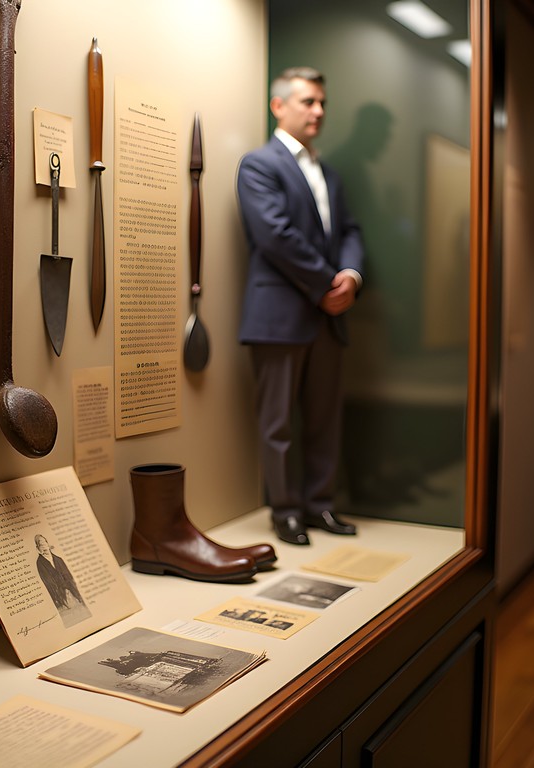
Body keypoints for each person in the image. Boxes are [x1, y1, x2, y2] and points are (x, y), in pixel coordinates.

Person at [236, 66, 365, 546]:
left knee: (324, 419)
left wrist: (350, 276)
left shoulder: (328, 172)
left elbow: (349, 230)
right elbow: (275, 236)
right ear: (279, 106)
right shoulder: (258, 164)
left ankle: (319, 505)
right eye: (308, 101)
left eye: (322, 103)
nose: (318, 111)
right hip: (279, 315)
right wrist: (326, 283)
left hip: (329, 317)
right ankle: (285, 511)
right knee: (278, 423)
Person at [34, 534, 85, 611]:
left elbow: (69, 578)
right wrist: (62, 595)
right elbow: (49, 584)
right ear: (38, 548)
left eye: (45, 543)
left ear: (48, 544)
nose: (44, 546)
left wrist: (71, 590)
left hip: (73, 593)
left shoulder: (59, 560)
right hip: (59, 599)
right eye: (41, 545)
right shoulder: (40, 563)